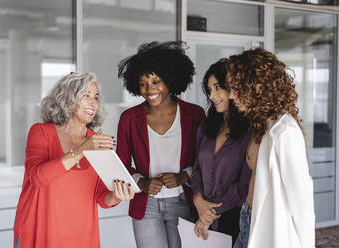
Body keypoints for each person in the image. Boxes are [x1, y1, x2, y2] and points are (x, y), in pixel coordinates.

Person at [13, 72, 135, 248]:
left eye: (96, 97)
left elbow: (101, 197)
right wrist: (82, 150)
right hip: (39, 232)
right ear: (68, 99)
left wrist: (117, 195)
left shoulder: (97, 141)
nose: (93, 103)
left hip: (81, 236)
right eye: (86, 96)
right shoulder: (41, 132)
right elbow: (38, 178)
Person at [116, 41, 206, 248]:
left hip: (184, 202)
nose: (150, 90)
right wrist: (142, 182)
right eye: (143, 84)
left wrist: (184, 176)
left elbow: (205, 160)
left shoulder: (195, 115)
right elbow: (121, 164)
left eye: (156, 82)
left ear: (169, 80)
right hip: (145, 205)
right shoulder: (129, 118)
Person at [227, 48, 315, 248]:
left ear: (256, 87)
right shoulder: (261, 126)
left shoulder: (284, 131)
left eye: (236, 87)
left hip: (269, 228)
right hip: (247, 217)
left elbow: (302, 201)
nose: (231, 95)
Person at [191, 58, 251, 245]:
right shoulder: (205, 127)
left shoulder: (250, 131)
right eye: (209, 90)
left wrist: (209, 214)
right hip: (200, 215)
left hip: (233, 219)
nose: (212, 95)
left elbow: (244, 185)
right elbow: (196, 170)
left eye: (218, 87)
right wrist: (198, 200)